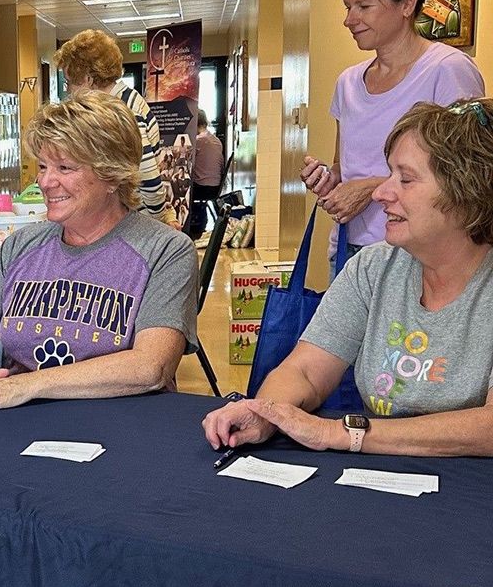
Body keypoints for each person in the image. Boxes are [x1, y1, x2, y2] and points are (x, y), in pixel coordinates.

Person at [205, 100, 493, 457]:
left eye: (405, 179)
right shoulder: (373, 268)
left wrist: (345, 433)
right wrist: (267, 414)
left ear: (468, 193)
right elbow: (307, 371)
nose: (381, 193)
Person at [0, 93, 198, 413]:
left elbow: (151, 367)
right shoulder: (20, 247)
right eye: (44, 165)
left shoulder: (166, 251)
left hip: (122, 427)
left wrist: (27, 386)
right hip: (20, 423)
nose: (46, 182)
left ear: (112, 176)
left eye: (65, 167)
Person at [301, 0, 484, 256]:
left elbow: (465, 176)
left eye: (363, 6)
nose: (349, 19)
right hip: (349, 249)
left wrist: (370, 188)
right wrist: (328, 179)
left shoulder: (447, 70)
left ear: (407, 3)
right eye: (348, 7)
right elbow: (343, 168)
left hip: (417, 254)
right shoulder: (347, 83)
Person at [55, 29, 167, 218]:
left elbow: (150, 180)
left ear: (87, 80)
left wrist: (158, 222)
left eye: (69, 83)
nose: (69, 92)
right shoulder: (124, 100)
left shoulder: (123, 112)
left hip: (138, 220)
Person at [186, 109, 225, 241]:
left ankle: (185, 227)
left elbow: (187, 162)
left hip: (201, 188)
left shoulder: (198, 141)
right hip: (215, 188)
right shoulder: (216, 140)